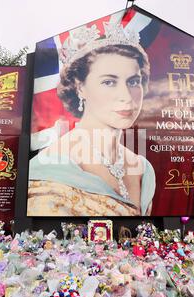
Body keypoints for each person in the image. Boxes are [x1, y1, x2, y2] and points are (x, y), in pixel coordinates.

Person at [28, 22, 156, 217]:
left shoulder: (143, 168)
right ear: (80, 88)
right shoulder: (50, 166)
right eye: (109, 82)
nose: (126, 96)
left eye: (133, 81)